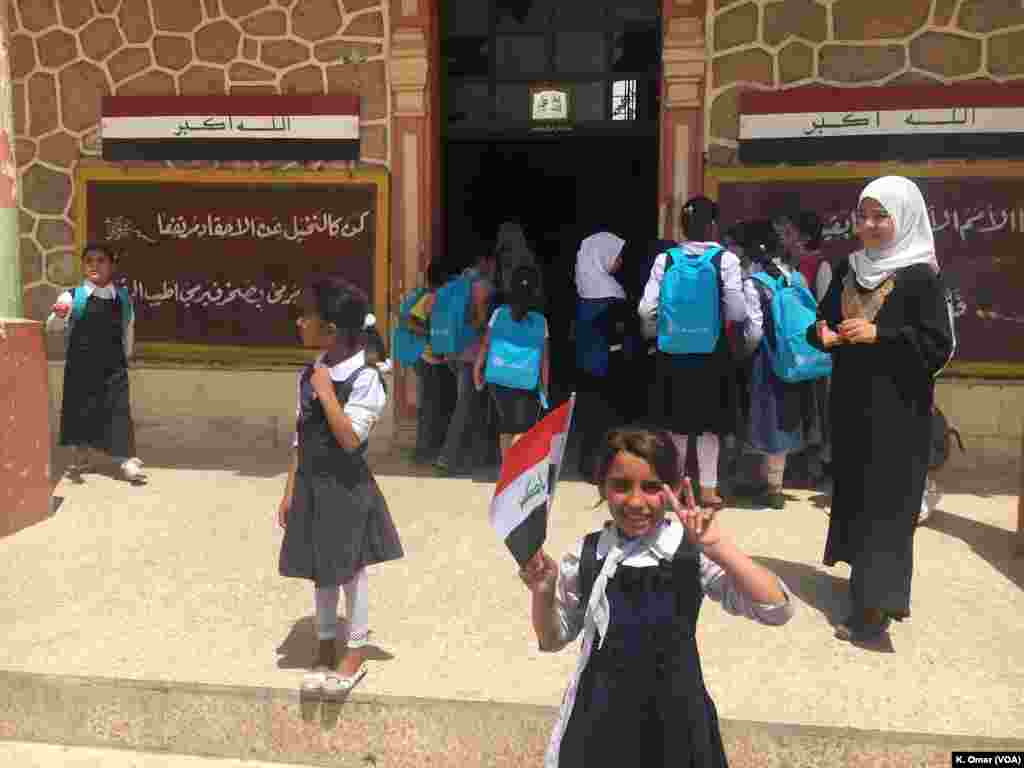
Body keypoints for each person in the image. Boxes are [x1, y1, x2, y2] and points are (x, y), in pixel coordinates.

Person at [519, 427, 794, 768]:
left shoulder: (689, 554)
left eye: (651, 487)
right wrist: (542, 594)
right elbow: (551, 638)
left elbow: (776, 608)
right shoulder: (588, 556)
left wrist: (719, 548)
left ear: (675, 489)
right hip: (601, 719)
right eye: (621, 486)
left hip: (677, 720)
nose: (636, 501)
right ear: (602, 487)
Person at [810, 176, 954, 642]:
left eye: (880, 216)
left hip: (898, 412)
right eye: (863, 215)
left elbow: (937, 346)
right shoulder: (850, 267)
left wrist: (880, 336)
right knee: (855, 498)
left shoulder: (921, 276)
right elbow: (824, 317)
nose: (869, 225)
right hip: (852, 406)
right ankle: (862, 589)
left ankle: (876, 612)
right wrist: (823, 335)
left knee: (887, 506)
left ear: (905, 218)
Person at [278, 277, 404, 696]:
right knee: (321, 567)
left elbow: (351, 439)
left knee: (350, 569)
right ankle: (326, 642)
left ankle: (355, 649)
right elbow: (301, 436)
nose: (298, 322)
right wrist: (290, 487)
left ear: (331, 329)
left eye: (306, 316)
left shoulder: (366, 379)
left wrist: (327, 393)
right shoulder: (311, 372)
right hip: (313, 485)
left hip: (346, 487)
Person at [639, 197, 747, 509]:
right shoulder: (724, 259)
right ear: (712, 226)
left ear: (682, 227)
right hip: (712, 351)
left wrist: (656, 336)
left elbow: (646, 308)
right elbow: (738, 311)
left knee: (677, 424)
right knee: (710, 425)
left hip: (672, 351)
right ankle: (709, 491)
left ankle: (675, 485)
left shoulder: (666, 259)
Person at [733, 220, 818, 510]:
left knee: (764, 420)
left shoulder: (754, 284)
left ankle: (763, 485)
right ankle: (776, 486)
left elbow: (754, 331)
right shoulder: (797, 279)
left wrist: (742, 354)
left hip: (765, 361)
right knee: (784, 420)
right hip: (793, 359)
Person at [46, 242, 145, 483]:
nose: (94, 265)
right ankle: (83, 456)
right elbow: (52, 327)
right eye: (89, 260)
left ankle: (126, 459)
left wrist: (126, 357)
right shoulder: (71, 297)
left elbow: (127, 330)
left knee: (119, 410)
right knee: (81, 411)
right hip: (81, 366)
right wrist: (58, 315)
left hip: (114, 367)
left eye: (101, 260)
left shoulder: (122, 297)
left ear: (111, 266)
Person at [474, 265, 549, 461]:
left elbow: (486, 344)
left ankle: (505, 470)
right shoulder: (541, 321)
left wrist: (478, 368)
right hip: (525, 378)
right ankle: (516, 470)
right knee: (522, 427)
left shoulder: (499, 313)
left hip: (498, 378)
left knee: (506, 424)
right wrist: (544, 386)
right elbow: (544, 359)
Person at [573, 231, 631, 480]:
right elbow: (620, 335)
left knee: (589, 421)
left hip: (585, 364)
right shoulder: (612, 294)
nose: (620, 262)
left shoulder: (583, 289)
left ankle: (587, 466)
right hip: (609, 366)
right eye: (617, 256)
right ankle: (606, 469)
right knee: (608, 421)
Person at [436, 248, 498, 476]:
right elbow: (481, 320)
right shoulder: (482, 286)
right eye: (492, 262)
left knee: (473, 404)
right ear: (484, 261)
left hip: (452, 352)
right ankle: (447, 457)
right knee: (465, 406)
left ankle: (478, 456)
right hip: (472, 354)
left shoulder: (453, 285)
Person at [782, 211, 832, 485]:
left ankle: (816, 467)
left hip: (810, 351)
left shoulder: (820, 265)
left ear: (803, 237)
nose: (785, 239)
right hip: (789, 349)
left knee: (816, 408)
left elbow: (823, 309)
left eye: (789, 233)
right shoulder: (790, 265)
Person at [407, 261, 456, 465]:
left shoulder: (441, 298)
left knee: (436, 406)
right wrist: (430, 334)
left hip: (438, 359)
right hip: (430, 360)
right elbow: (411, 322)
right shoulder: (431, 298)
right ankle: (423, 450)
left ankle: (429, 448)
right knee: (430, 406)